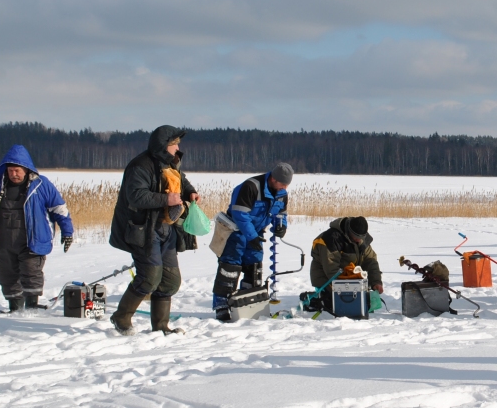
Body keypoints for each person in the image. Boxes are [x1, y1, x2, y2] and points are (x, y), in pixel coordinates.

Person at [109, 126, 200, 336]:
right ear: (163, 145)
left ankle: (161, 327)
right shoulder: (140, 166)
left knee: (170, 281)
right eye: (174, 144)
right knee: (150, 276)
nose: (178, 148)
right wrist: (166, 199)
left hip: (167, 229)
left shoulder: (171, 163)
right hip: (143, 230)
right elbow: (136, 196)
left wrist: (191, 192)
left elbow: (181, 181)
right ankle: (121, 317)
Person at [0, 145, 74, 312]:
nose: (13, 174)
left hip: (32, 240)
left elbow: (59, 209)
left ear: (26, 169)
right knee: (6, 275)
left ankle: (32, 307)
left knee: (31, 273)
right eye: (10, 170)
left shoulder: (41, 185)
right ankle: (15, 308)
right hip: (3, 241)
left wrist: (67, 232)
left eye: (17, 170)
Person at [212, 164, 292, 321]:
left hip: (255, 234)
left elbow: (281, 213)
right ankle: (221, 306)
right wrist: (252, 236)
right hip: (235, 232)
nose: (285, 187)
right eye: (282, 184)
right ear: (273, 179)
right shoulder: (251, 187)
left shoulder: (282, 193)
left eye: (286, 185)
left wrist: (281, 227)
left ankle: (247, 301)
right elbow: (240, 214)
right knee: (229, 268)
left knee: (254, 267)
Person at [309, 216, 383, 314]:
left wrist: (376, 282)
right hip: (327, 279)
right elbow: (331, 270)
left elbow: (371, 261)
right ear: (349, 231)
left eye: (361, 238)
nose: (358, 240)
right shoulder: (331, 239)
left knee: (363, 303)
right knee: (341, 305)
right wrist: (350, 289)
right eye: (356, 237)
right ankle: (319, 297)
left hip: (351, 277)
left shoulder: (361, 238)